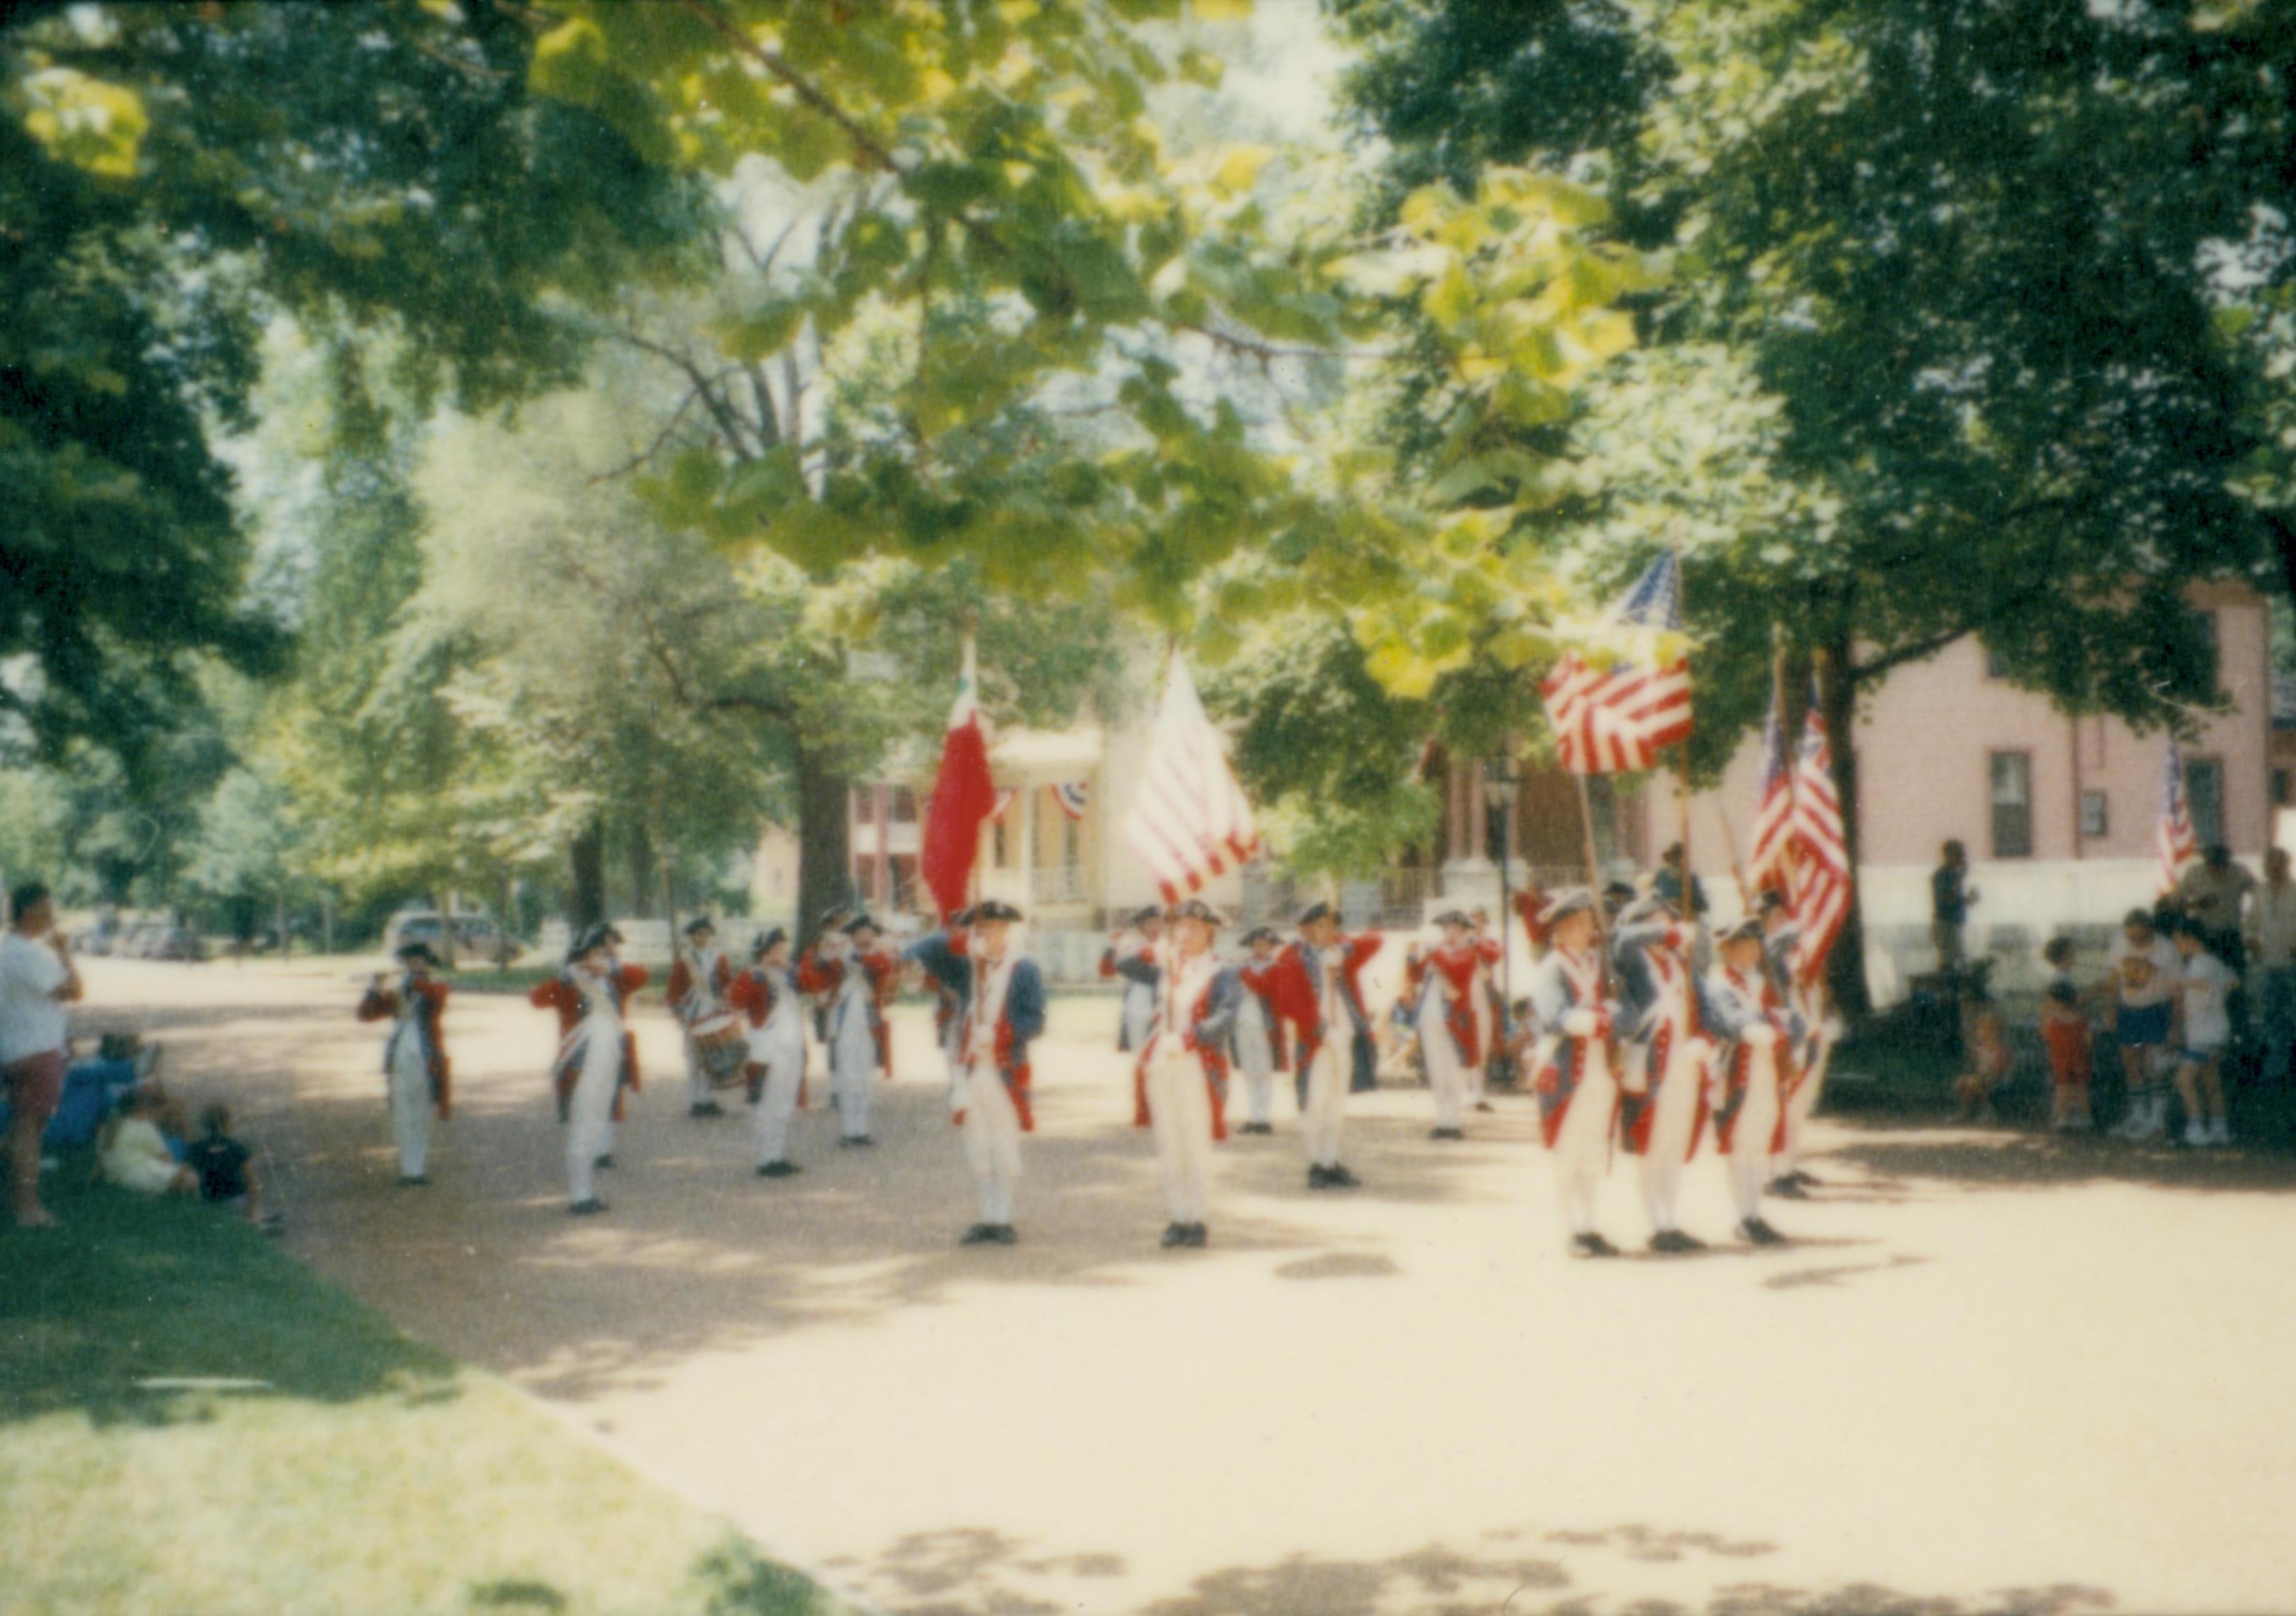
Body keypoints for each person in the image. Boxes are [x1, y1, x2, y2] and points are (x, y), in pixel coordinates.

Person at [1526, 889, 1623, 1257]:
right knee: (1567, 1151)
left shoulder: (1599, 964)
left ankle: (1589, 1224)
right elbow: (1555, 1017)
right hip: (1567, 1069)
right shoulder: (1551, 969)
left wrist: (1614, 1014)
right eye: (1581, 923)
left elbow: (1620, 1004)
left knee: (1592, 1152)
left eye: (1589, 922)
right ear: (1562, 929)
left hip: (1599, 1069)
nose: (1589, 929)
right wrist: (1599, 1020)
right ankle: (1570, 1229)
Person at [1611, 893, 1710, 1253]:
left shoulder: (1681, 963)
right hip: (1650, 1064)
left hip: (1682, 1064)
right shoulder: (1634, 959)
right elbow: (1622, 937)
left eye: (1667, 919)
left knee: (1672, 1144)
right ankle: (1656, 1224)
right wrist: (1665, 934)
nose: (1665, 925)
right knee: (1651, 1145)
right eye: (1654, 920)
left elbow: (1705, 1004)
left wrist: (1706, 1038)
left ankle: (1671, 1219)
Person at [1137, 899, 1239, 1248]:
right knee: (1169, 1142)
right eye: (1179, 926)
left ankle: (1198, 1217)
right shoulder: (1167, 964)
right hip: (1162, 1064)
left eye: (1193, 927)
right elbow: (1120, 963)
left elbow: (1225, 1018)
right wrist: (1155, 947)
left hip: (1196, 1063)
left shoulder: (1220, 970)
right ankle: (1177, 1216)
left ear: (1210, 931)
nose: (1185, 933)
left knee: (1194, 1142)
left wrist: (1190, 1038)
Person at [1265, 902, 1383, 1190]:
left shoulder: (1339, 953)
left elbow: (1375, 941)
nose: (1327, 931)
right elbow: (1286, 1002)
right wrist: (1319, 1028)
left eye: (1331, 925)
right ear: (1306, 930)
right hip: (1315, 1038)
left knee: (1335, 1100)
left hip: (1343, 1034)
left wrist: (1344, 948)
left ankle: (1331, 1160)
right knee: (1313, 1101)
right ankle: (1315, 1162)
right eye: (1320, 926)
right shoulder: (1293, 958)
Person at [532, 926, 646, 1213]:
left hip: (608, 1060)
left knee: (596, 1124)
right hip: (581, 1064)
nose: (603, 957)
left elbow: (641, 977)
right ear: (582, 956)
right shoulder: (569, 983)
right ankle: (579, 1195)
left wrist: (611, 967)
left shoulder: (613, 979)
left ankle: (586, 1192)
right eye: (597, 952)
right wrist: (567, 973)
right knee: (582, 1127)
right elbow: (536, 999)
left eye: (605, 952)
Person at [1701, 916, 1793, 1246]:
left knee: (1758, 1143)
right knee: (1740, 1145)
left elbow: (1787, 1017)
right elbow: (1730, 1022)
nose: (1755, 952)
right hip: (1735, 1072)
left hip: (1764, 1071)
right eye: (1748, 946)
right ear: (1729, 949)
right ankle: (1743, 1216)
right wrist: (1767, 1028)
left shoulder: (1758, 982)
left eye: (1757, 946)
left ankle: (1754, 1213)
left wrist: (1784, 1025)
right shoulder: (1719, 984)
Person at [1, 881, 81, 1229]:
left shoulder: (6, 950)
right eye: (48, 911)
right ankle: (27, 1209)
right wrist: (64, 951)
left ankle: (17, 1196)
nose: (53, 918)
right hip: (37, 1050)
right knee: (29, 1131)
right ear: (31, 911)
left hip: (15, 1046)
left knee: (21, 1129)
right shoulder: (29, 953)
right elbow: (74, 989)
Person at [356, 941, 451, 1185]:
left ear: (428, 964)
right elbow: (366, 1015)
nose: (415, 965)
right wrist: (375, 988)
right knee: (402, 1111)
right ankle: (408, 1168)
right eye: (411, 961)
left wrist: (412, 980)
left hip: (425, 1054)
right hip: (399, 1052)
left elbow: (437, 997)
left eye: (420, 960)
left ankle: (418, 1167)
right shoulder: (397, 991)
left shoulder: (436, 987)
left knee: (421, 1111)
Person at [728, 928, 809, 1177]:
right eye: (775, 949)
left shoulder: (788, 975)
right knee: (767, 1102)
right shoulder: (754, 975)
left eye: (782, 949)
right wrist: (759, 971)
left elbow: (812, 982)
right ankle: (766, 1159)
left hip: (791, 1044)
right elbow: (736, 999)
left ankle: (778, 1154)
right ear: (763, 952)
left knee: (784, 1101)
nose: (780, 954)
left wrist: (789, 968)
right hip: (767, 1045)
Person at [800, 914, 883, 1146]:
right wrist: (827, 955)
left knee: (865, 1073)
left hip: (867, 1021)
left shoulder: (874, 954)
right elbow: (812, 972)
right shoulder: (838, 953)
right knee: (848, 1073)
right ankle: (849, 1130)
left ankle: (862, 1129)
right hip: (844, 1017)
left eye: (870, 933)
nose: (867, 937)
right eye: (862, 933)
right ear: (853, 935)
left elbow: (882, 967)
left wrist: (855, 955)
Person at [2108, 908, 2180, 1140]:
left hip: (2157, 1009)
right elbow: (2113, 978)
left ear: (2151, 930)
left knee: (2155, 1065)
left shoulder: (2167, 949)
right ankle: (2138, 1116)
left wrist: (2176, 1025)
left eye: (2140, 937)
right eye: (2131, 937)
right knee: (2130, 1062)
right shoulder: (2119, 944)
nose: (2135, 942)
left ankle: (2156, 1118)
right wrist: (2110, 1008)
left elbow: (2178, 989)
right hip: (2128, 1010)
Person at [1417, 911, 1487, 1140]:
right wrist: (1415, 957)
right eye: (1448, 929)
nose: (1452, 934)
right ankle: (1442, 1119)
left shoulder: (1468, 953)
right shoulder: (1435, 951)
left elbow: (1455, 968)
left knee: (1454, 1069)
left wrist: (1432, 952)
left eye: (1457, 929)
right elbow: (1415, 973)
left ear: (1465, 932)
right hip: (1431, 1014)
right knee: (1436, 1067)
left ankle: (1453, 1120)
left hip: (1456, 1018)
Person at [2171, 919, 2236, 1148]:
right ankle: (2219, 1129)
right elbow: (2232, 983)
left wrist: (2182, 984)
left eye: (2179, 940)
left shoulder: (2198, 964)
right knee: (2211, 1080)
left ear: (2191, 939)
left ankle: (2196, 1129)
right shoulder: (2215, 963)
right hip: (2217, 1030)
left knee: (2184, 1081)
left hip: (2202, 1033)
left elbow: (2202, 983)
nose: (2176, 944)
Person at [668, 917, 736, 1118]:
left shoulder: (718, 958)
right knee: (694, 1059)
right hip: (693, 1013)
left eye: (706, 933)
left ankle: (709, 1100)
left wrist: (727, 1004)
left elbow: (726, 984)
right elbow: (674, 990)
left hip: (712, 1010)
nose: (702, 938)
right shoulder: (684, 960)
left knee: (712, 1057)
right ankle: (695, 1101)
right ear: (691, 937)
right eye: (698, 934)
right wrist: (679, 1013)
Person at [1230, 926, 1288, 1135]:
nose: (1260, 949)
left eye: (1264, 945)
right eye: (1256, 945)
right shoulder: (1242, 966)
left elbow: (1263, 986)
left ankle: (1264, 1117)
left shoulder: (1277, 967)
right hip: (1242, 1022)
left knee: (1263, 1070)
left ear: (1272, 947)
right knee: (1249, 1069)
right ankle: (1253, 1115)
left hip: (1264, 1024)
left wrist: (1244, 973)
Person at [2249, 847, 2296, 1089]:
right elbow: (2249, 924)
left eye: (2276, 864)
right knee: (2272, 1015)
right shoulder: (2259, 892)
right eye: (2268, 865)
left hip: (2293, 965)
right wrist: (2251, 939)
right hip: (2268, 964)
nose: (2271, 869)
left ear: (2286, 865)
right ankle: (2276, 1069)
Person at [98, 1087, 196, 1196]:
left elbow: (102, 1161)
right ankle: (183, 1187)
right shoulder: (144, 1127)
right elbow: (166, 1158)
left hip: (120, 1177)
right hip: (142, 1172)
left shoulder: (109, 1128)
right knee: (190, 1177)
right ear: (143, 1108)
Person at [186, 1101, 271, 1226]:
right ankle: (255, 1221)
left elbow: (191, 1178)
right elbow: (251, 1181)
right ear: (227, 1123)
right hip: (236, 1200)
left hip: (209, 1202)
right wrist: (253, 1207)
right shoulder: (237, 1148)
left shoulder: (196, 1149)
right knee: (256, 1216)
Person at [2176, 844, 2256, 970]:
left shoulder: (2239, 872)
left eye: (2219, 864)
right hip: (2204, 934)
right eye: (2211, 863)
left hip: (2230, 934)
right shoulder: (2194, 873)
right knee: (2205, 973)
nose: (2215, 868)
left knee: (2235, 976)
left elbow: (2259, 894)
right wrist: (2197, 904)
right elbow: (2176, 902)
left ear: (2227, 862)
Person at [1101, 907, 1164, 1056]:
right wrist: (1113, 946)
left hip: (1160, 1002)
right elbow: (1110, 969)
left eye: (1159, 923)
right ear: (1141, 927)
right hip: (1137, 1001)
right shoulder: (1133, 946)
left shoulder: (1170, 946)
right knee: (1138, 1050)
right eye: (1150, 923)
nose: (1155, 928)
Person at [2041, 974, 2094, 1134]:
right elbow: (2088, 1040)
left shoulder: (2053, 1021)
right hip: (2079, 1058)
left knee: (2062, 1089)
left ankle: (2060, 1117)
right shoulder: (2080, 1019)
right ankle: (2085, 1117)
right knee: (2080, 1089)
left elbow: (2046, 1036)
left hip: (2061, 1059)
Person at [1952, 976, 2009, 1123]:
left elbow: (1998, 1070)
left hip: (1994, 1079)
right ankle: (1967, 1110)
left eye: (1984, 1030)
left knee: (1974, 1083)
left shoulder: (1998, 1049)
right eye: (1980, 1030)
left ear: (1993, 1032)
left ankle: (1987, 1111)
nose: (1981, 1034)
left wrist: (1983, 1076)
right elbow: (1977, 1066)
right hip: (1982, 1077)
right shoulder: (1981, 1048)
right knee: (1961, 1082)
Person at [1931, 841, 1977, 971]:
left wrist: (1968, 900)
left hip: (1956, 923)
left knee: (1959, 959)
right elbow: (1946, 899)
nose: (1962, 859)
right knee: (1949, 962)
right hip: (1947, 924)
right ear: (1948, 855)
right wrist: (1961, 878)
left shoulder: (1954, 875)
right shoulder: (1942, 875)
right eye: (1958, 855)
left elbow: (1955, 899)